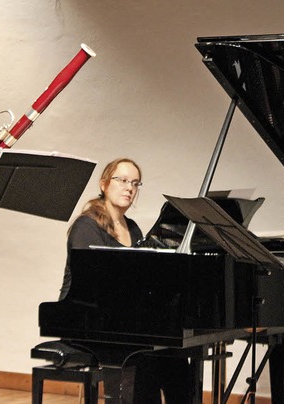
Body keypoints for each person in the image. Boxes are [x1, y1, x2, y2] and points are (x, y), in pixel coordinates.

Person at [59, 158, 190, 403]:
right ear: (104, 184)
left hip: (122, 320)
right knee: (145, 355)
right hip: (83, 319)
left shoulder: (134, 229)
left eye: (135, 183)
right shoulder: (87, 225)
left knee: (175, 354)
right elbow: (91, 284)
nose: (129, 187)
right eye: (122, 180)